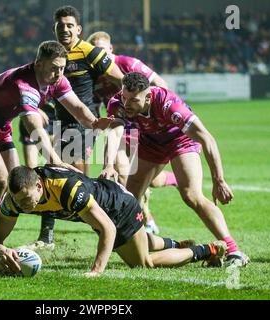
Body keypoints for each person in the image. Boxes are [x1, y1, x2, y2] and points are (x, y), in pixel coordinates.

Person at [0, 41, 113, 261]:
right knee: (0, 181)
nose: (59, 73)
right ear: (38, 64)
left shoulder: (56, 80)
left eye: (62, 67)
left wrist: (95, 122)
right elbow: (34, 127)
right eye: (54, 67)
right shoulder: (25, 83)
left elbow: (77, 108)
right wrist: (56, 160)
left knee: (14, 185)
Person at [100, 72, 249, 267]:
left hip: (179, 141)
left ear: (148, 96)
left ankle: (233, 251)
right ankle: (159, 248)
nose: (126, 104)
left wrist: (219, 180)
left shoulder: (168, 104)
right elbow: (115, 131)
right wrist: (108, 165)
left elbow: (206, 138)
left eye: (133, 100)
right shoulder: (117, 102)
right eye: (124, 97)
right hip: (150, 143)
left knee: (191, 196)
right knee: (129, 202)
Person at [0, 165, 228, 277]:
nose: (25, 206)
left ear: (39, 185)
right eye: (20, 202)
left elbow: (107, 228)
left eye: (28, 199)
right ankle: (176, 245)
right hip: (102, 207)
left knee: (143, 263)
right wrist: (1, 250)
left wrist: (96, 271)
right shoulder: (14, 200)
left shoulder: (68, 190)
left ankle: (206, 250)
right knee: (141, 243)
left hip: (119, 207)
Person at [26, 6, 125, 251]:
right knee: (54, 176)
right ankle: (52, 236)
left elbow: (120, 78)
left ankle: (111, 230)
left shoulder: (89, 51)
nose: (65, 29)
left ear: (78, 29)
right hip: (61, 124)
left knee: (73, 182)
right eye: (61, 25)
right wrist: (36, 108)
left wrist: (126, 104)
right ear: (55, 29)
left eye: (70, 25)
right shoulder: (51, 54)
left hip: (82, 125)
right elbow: (35, 83)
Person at [88, 31, 175, 235]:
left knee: (147, 179)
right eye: (95, 52)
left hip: (144, 124)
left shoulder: (128, 64)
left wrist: (153, 118)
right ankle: (145, 219)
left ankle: (171, 180)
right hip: (121, 126)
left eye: (103, 50)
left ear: (111, 50)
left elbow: (162, 85)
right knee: (121, 171)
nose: (100, 55)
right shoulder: (92, 76)